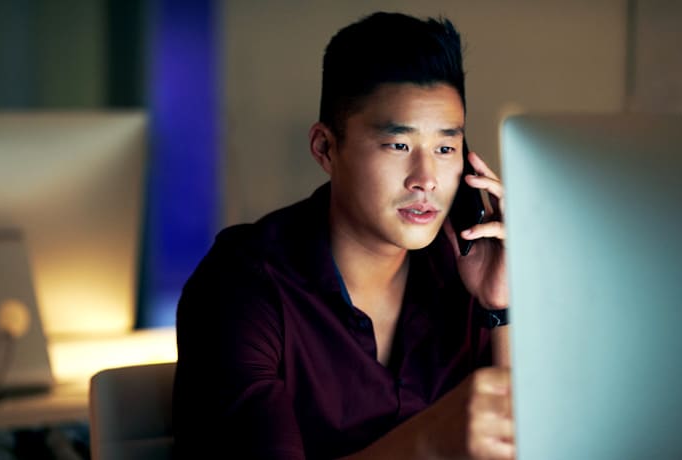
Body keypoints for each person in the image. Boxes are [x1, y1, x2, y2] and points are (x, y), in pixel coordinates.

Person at [173, 11, 514, 460]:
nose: (426, 178)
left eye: (446, 148)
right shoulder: (242, 285)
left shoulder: (467, 272)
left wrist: (501, 306)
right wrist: (429, 442)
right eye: (398, 145)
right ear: (326, 148)